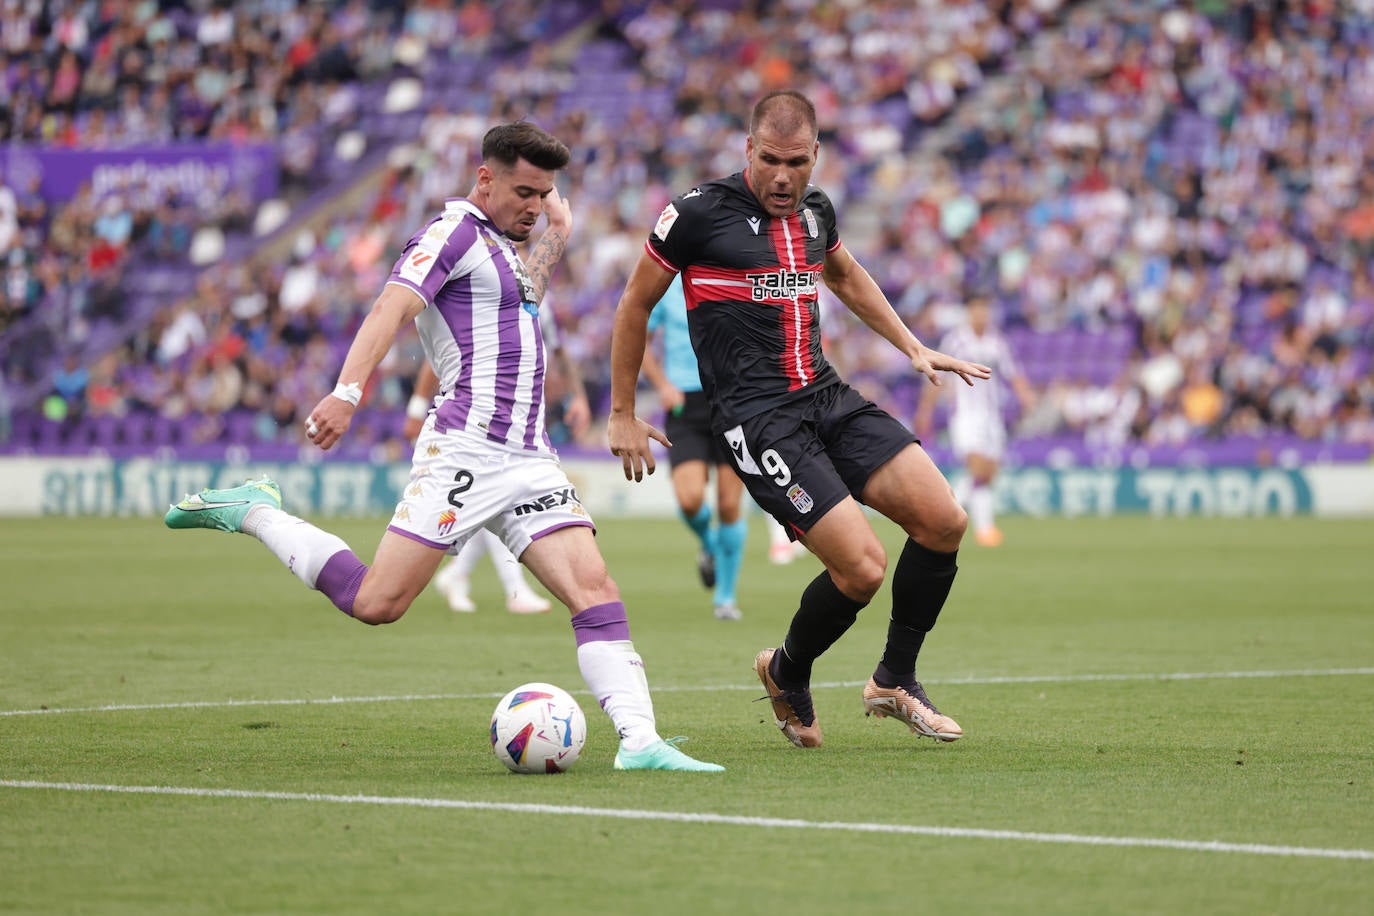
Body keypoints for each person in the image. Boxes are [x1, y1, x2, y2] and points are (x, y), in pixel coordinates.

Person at [166, 121, 722, 773]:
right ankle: (256, 510)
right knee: (379, 603)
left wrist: (557, 239)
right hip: (465, 450)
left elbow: (524, 300)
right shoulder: (450, 233)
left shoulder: (503, 244)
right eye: (524, 192)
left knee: (595, 587)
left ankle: (639, 742)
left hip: (528, 457)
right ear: (484, 178)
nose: (535, 206)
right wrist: (347, 391)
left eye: (544, 195)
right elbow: (390, 308)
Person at [607, 90, 991, 749]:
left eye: (797, 163)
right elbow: (634, 304)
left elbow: (845, 275)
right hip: (758, 422)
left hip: (825, 394)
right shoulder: (695, 214)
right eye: (771, 161)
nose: (784, 177)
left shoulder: (816, 210)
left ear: (816, 157)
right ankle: (788, 672)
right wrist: (620, 410)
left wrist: (911, 344)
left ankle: (894, 678)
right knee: (863, 569)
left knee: (944, 520)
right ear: (747, 150)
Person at [406, 303, 592, 613]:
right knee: (496, 492)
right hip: (479, 415)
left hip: (523, 414)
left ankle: (459, 574)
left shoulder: (539, 301)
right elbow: (434, 350)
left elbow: (557, 350)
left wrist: (579, 397)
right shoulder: (486, 288)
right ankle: (514, 588)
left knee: (495, 499)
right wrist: (416, 405)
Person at [639, 274, 748, 620]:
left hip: (733, 400)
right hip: (684, 403)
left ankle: (725, 598)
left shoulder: (734, 275)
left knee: (729, 504)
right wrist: (662, 384)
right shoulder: (666, 284)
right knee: (689, 500)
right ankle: (710, 544)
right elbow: (636, 337)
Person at [914, 294, 1034, 547]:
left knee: (987, 475)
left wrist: (1024, 395)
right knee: (978, 470)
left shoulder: (997, 341)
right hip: (966, 416)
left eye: (985, 308)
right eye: (977, 308)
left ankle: (943, 508)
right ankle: (984, 528)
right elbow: (938, 376)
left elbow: (1013, 372)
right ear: (969, 311)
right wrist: (926, 410)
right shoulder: (956, 340)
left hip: (992, 416)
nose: (982, 314)